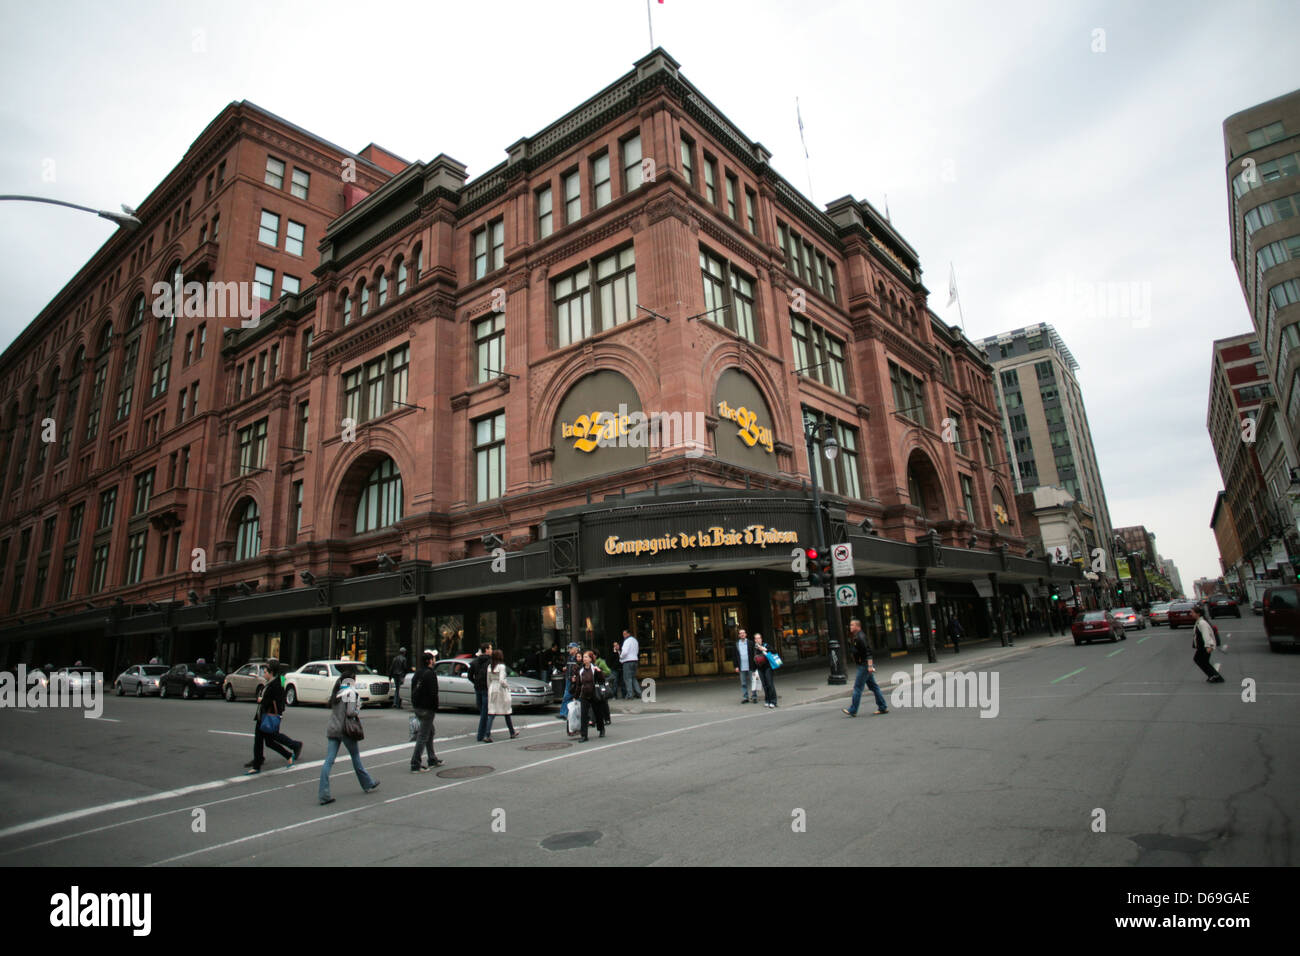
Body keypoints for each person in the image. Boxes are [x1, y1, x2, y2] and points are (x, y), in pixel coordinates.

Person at [318, 667, 379, 805]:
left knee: (329, 761)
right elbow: (351, 712)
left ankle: (324, 793)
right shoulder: (350, 693)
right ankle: (367, 783)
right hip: (345, 730)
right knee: (355, 757)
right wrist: (358, 707)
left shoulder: (337, 692)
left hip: (333, 728)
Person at [246, 659, 303, 773]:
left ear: (271, 671)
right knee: (267, 740)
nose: (264, 672)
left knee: (269, 739)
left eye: (266, 670)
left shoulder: (277, 683)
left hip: (269, 716)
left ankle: (291, 749)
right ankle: (286, 754)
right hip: (264, 715)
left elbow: (276, 700)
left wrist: (262, 700)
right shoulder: (271, 682)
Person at [843, 618, 889, 717]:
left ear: (857, 626)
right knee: (873, 686)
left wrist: (870, 665)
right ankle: (883, 707)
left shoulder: (861, 637)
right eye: (850, 625)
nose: (850, 627)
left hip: (864, 666)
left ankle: (853, 709)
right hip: (863, 665)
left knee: (857, 688)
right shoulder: (857, 636)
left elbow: (868, 652)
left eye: (852, 625)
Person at [409, 651, 442, 772]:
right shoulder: (430, 674)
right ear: (429, 661)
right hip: (427, 708)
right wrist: (435, 707)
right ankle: (415, 763)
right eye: (433, 659)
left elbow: (413, 688)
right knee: (423, 736)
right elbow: (433, 693)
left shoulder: (418, 673)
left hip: (418, 707)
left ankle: (432, 758)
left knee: (430, 731)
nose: (434, 660)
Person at [483, 649, 520, 742]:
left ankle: (487, 734)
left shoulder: (490, 666)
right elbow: (502, 680)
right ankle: (512, 732)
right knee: (506, 711)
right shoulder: (501, 666)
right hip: (500, 689)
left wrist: (489, 688)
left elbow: (488, 680)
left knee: (492, 712)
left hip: (492, 688)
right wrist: (507, 686)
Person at [574, 650, 605, 741]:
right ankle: (584, 735)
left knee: (598, 713)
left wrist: (599, 672)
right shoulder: (581, 670)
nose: (584, 659)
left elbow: (602, 680)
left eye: (586, 657)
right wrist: (575, 696)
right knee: (584, 715)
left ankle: (601, 729)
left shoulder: (594, 668)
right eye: (583, 657)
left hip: (594, 693)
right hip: (584, 694)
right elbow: (578, 684)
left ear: (591, 659)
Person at [1191, 606, 1225, 684]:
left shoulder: (1202, 623)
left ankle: (1215, 676)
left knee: (1199, 660)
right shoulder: (1199, 621)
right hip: (1201, 646)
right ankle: (1213, 676)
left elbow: (1206, 634)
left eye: (1192, 612)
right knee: (1203, 661)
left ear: (1198, 614)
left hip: (1204, 646)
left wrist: (1208, 646)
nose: (1191, 614)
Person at [469, 643, 494, 742]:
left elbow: (469, 675)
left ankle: (483, 732)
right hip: (486, 688)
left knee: (482, 710)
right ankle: (482, 734)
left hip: (478, 687)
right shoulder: (491, 662)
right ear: (486, 650)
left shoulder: (475, 662)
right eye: (491, 648)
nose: (492, 650)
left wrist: (475, 682)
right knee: (485, 711)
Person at [733, 628, 758, 704]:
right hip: (741, 667)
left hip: (750, 666)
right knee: (743, 683)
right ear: (739, 635)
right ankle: (745, 697)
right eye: (740, 633)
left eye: (743, 633)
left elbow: (755, 654)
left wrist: (755, 665)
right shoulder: (736, 644)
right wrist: (736, 666)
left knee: (753, 681)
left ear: (746, 634)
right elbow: (734, 656)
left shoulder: (751, 643)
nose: (742, 634)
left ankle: (754, 697)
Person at [557, 642, 580, 722]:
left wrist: (575, 677)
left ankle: (565, 713)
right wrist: (565, 668)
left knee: (570, 696)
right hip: (569, 679)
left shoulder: (578, 656)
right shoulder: (569, 657)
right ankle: (564, 713)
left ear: (575, 648)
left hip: (574, 680)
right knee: (567, 696)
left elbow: (579, 667)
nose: (569, 650)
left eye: (571, 648)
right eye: (569, 648)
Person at [753, 633, 777, 708]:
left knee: (770, 684)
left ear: (761, 639)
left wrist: (765, 649)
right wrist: (754, 670)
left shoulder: (766, 645)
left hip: (768, 667)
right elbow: (753, 659)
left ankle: (773, 701)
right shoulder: (754, 648)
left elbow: (774, 651)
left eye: (759, 638)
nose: (758, 640)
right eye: (756, 638)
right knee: (764, 685)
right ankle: (767, 700)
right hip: (760, 668)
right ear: (755, 640)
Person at [618, 628, 640, 700]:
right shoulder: (635, 640)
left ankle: (630, 694)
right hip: (634, 660)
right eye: (623, 634)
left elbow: (625, 652)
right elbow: (637, 651)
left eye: (625, 634)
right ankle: (638, 692)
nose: (623, 635)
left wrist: (621, 656)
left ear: (628, 634)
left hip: (627, 661)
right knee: (633, 678)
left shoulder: (627, 641)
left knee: (627, 678)